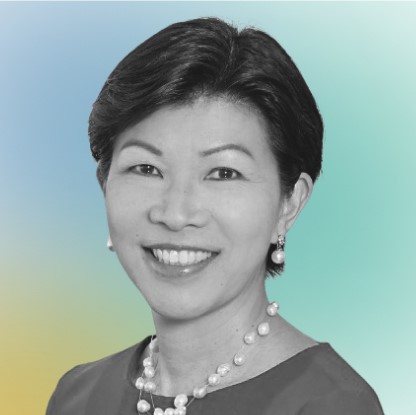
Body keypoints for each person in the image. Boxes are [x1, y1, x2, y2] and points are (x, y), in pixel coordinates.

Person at [46, 17, 384, 415]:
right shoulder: (77, 395)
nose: (175, 214)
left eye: (224, 173)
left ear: (289, 203)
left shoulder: (330, 404)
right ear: (105, 184)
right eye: (146, 168)